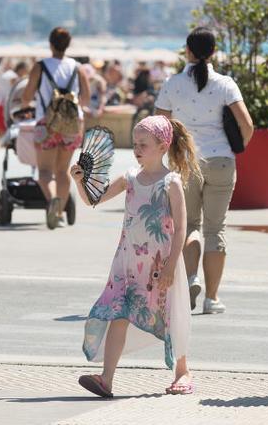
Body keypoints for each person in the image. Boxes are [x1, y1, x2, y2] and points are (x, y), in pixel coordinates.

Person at [72, 115, 198, 397]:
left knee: (171, 315)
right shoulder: (130, 178)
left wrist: (170, 267)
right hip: (127, 264)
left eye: (143, 144)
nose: (137, 149)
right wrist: (81, 182)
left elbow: (180, 229)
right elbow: (95, 199)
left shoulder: (171, 183)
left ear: (163, 146)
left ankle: (183, 370)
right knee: (119, 312)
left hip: (160, 264)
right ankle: (107, 378)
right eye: (135, 143)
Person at [155, 27, 254, 314]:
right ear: (213, 52)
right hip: (221, 160)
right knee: (216, 228)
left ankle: (190, 278)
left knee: (189, 226)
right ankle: (212, 298)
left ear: (187, 50)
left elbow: (160, 127)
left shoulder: (172, 84)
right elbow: (246, 125)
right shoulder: (225, 84)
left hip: (185, 163)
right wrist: (237, 148)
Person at [20, 27, 91, 229]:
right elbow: (85, 99)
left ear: (50, 44)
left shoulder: (40, 66)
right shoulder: (78, 68)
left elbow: (26, 96)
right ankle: (59, 214)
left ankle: (52, 200)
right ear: (67, 45)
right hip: (72, 125)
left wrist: (28, 105)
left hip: (46, 124)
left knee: (44, 172)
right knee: (62, 172)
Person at [0, 62, 29, 147]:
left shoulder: (10, 74)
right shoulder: (13, 77)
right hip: (1, 104)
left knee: (2, 128)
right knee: (2, 128)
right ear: (21, 69)